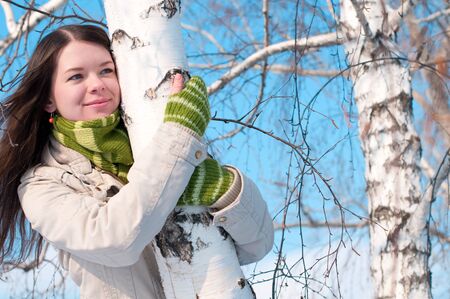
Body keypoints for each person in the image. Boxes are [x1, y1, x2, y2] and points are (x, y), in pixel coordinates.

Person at [0, 24, 274, 298]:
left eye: (106, 70)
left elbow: (257, 245)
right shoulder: (40, 184)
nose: (96, 84)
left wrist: (221, 186)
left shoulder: (161, 142)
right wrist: (179, 135)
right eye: (76, 77)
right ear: (48, 99)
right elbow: (115, 241)